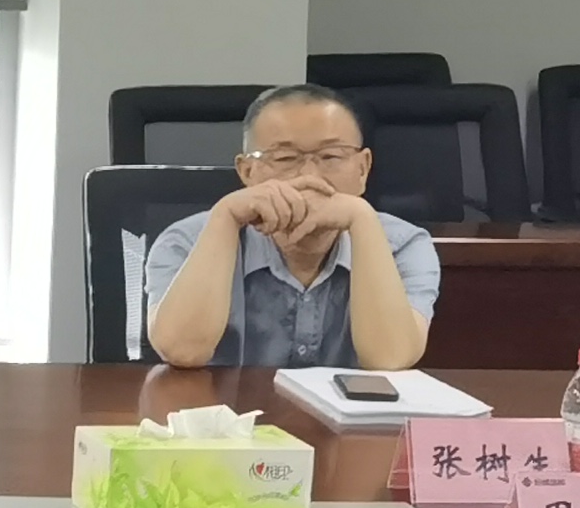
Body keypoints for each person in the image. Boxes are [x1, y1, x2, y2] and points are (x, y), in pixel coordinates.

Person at [140, 83, 437, 370]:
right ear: (247, 171)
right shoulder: (185, 241)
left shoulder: (404, 245)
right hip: (227, 406)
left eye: (331, 156)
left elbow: (390, 359)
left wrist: (362, 219)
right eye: (285, 158)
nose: (309, 176)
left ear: (363, 169)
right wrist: (225, 216)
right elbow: (182, 351)